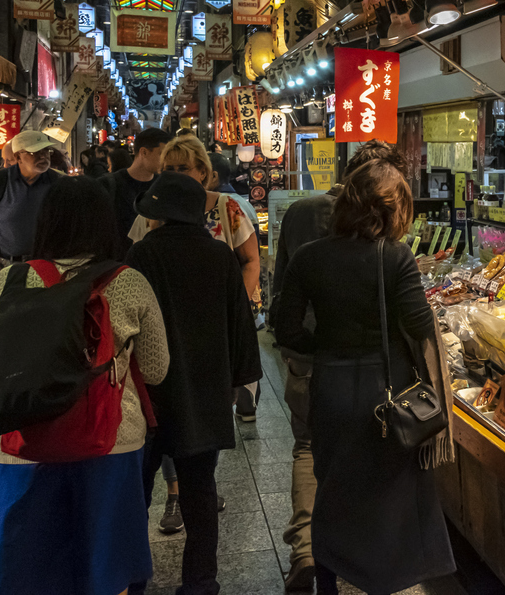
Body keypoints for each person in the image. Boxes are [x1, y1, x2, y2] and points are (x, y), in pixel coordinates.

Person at [0, 177, 169, 595]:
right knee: (106, 570)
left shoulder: (8, 282)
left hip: (18, 447)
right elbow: (157, 369)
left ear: (45, 222)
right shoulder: (128, 282)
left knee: (20, 572)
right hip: (110, 443)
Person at [272, 160, 455, 595]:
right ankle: (381, 580)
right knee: (387, 495)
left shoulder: (309, 256)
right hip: (386, 393)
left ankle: (328, 579)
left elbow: (285, 327)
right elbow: (418, 323)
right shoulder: (394, 256)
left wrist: (326, 346)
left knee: (333, 488)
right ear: (393, 210)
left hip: (331, 389)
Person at [269, 141, 406, 592]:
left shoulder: (298, 212)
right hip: (361, 363)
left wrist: (304, 344)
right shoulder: (380, 230)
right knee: (364, 453)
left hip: (308, 357)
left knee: (309, 449)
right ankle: (357, 554)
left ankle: (306, 550)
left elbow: (281, 289)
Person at [125, 173, 261, 595]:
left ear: (159, 215)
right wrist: (240, 382)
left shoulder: (143, 254)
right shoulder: (219, 255)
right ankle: (201, 583)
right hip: (205, 387)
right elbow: (239, 321)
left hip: (151, 391)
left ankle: (132, 579)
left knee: (137, 490)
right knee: (200, 490)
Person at [127, 135, 261, 421]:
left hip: (215, 317)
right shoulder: (150, 210)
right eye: (169, 169)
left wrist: (235, 305)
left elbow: (251, 261)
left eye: (183, 168)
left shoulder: (226, 207)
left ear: (203, 172)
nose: (176, 175)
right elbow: (136, 270)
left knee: (211, 394)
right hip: (164, 318)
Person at [0, 130, 65, 261]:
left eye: (46, 151)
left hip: (46, 263)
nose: (43, 157)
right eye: (35, 152)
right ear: (18, 157)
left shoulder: (58, 182)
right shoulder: (0, 181)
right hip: (5, 263)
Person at [98, 127, 172, 258]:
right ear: (144, 152)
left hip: (151, 261)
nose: (166, 161)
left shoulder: (164, 186)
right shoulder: (108, 184)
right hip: (116, 262)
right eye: (162, 154)